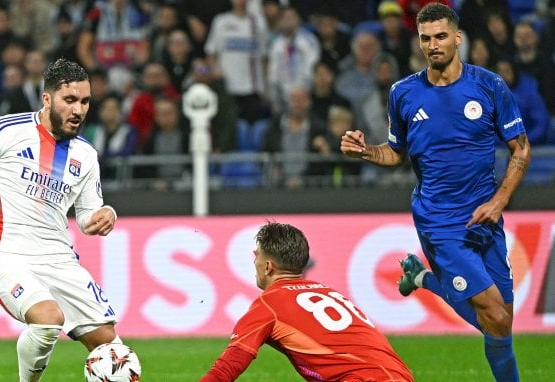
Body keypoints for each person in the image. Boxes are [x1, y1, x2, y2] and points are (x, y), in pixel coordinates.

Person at [341, 4, 530, 381]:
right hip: (439, 222)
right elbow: (395, 152)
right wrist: (365, 151)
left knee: (502, 323)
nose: (433, 45)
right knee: (493, 314)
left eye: (441, 36)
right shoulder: (403, 93)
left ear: (457, 37)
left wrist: (498, 201)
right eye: (425, 38)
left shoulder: (489, 86)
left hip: (485, 216)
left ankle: (423, 279)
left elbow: (520, 148)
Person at [0, 58, 125, 382]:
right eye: (69, 100)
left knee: (115, 357)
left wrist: (105, 214)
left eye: (84, 101)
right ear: (47, 99)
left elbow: (86, 216)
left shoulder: (85, 154)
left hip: (61, 260)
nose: (79, 110)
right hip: (10, 255)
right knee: (47, 319)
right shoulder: (5, 130)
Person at [201, 221, 414, 382]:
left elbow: (226, 368)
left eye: (256, 256)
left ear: (268, 267)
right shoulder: (330, 293)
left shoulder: (269, 305)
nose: (253, 262)